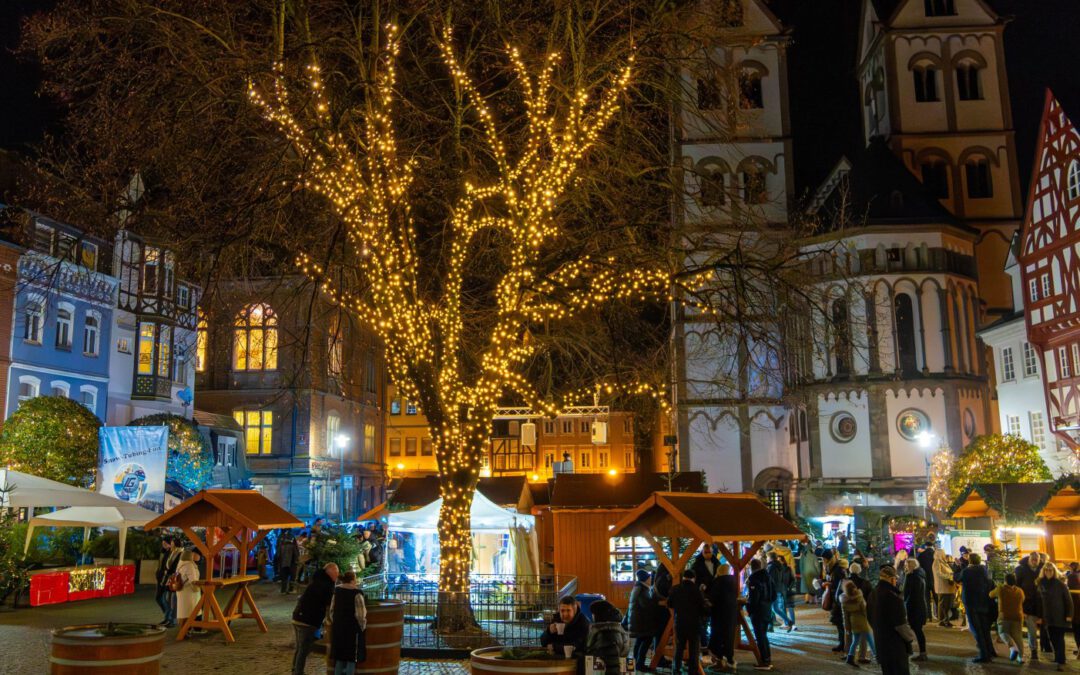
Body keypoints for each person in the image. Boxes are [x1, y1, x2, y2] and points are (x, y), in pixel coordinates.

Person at [291, 562, 340, 675]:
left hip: (298, 616)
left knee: (300, 648)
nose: (337, 576)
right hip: (308, 621)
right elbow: (329, 604)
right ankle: (298, 672)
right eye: (336, 573)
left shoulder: (317, 580)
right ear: (330, 572)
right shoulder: (326, 585)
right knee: (304, 649)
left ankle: (295, 670)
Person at [871, 566, 915, 675]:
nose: (896, 581)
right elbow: (900, 624)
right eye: (895, 579)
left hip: (880, 643)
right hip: (895, 647)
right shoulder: (893, 596)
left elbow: (870, 617)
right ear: (891, 579)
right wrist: (910, 638)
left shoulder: (873, 594)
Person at [956, 552, 996, 663]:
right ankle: (991, 650)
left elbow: (957, 578)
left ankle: (984, 655)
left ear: (970, 561)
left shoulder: (967, 571)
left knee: (976, 629)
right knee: (984, 628)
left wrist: (959, 567)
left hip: (971, 603)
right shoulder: (984, 570)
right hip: (983, 601)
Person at [667, 569, 707, 674]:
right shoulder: (697, 590)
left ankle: (676, 669)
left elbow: (669, 604)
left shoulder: (675, 589)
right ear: (694, 578)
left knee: (679, 648)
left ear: (683, 577)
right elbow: (703, 608)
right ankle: (692, 670)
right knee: (694, 649)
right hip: (694, 624)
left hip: (679, 622)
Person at [328, 570, 367, 675]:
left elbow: (331, 610)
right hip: (352, 629)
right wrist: (362, 627)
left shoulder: (337, 591)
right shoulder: (357, 593)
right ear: (353, 580)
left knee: (339, 657)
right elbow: (360, 614)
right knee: (351, 658)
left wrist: (336, 621)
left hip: (338, 627)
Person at [1038, 562, 1073, 671]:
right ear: (1043, 572)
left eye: (1050, 570)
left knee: (1059, 639)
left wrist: (1069, 615)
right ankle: (1058, 657)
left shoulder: (1060, 584)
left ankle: (1061, 661)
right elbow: (1038, 601)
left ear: (1054, 571)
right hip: (1048, 617)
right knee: (1053, 638)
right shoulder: (1041, 583)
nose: (1048, 572)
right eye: (1046, 570)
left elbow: (1068, 601)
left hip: (1059, 616)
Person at [708, 563, 740, 671]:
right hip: (731, 614)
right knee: (728, 637)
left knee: (718, 638)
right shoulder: (733, 581)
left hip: (719, 615)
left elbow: (713, 598)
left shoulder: (718, 582)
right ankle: (729, 660)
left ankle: (721, 662)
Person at [585, 600, 630, 675]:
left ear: (599, 615)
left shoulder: (606, 634)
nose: (592, 616)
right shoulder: (614, 628)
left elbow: (613, 665)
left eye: (593, 613)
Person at [746, 558, 775, 671]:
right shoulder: (768, 576)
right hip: (767, 609)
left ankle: (764, 661)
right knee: (764, 635)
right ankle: (767, 658)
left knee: (760, 636)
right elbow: (774, 594)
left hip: (758, 611)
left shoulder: (754, 579)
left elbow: (754, 598)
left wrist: (750, 609)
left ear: (752, 567)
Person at [990, 572, 1025, 663]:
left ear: (1005, 581)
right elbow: (1023, 599)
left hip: (1004, 616)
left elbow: (990, 594)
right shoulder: (1020, 590)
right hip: (1018, 616)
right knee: (1018, 637)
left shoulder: (1001, 589)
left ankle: (1013, 648)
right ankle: (1021, 658)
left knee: (1003, 633)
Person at [1015, 552, 1043, 661]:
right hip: (1028, 605)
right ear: (1029, 559)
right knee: (1032, 631)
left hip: (1042, 605)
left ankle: (1048, 649)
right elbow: (1017, 588)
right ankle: (1034, 650)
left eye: (1037, 559)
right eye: (1033, 559)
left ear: (1039, 560)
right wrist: (1020, 605)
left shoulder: (1043, 569)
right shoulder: (1021, 570)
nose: (1035, 561)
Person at [841, 579, 875, 668]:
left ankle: (850, 657)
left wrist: (847, 627)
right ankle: (879, 657)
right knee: (871, 640)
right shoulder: (859, 596)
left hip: (853, 622)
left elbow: (845, 616)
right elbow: (864, 610)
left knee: (855, 640)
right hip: (862, 621)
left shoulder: (844, 600)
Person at [627, 569, 656, 670]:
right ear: (645, 579)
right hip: (642, 621)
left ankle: (636, 662)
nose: (651, 579)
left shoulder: (637, 587)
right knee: (646, 640)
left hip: (637, 620)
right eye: (649, 577)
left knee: (639, 641)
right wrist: (655, 602)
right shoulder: (643, 590)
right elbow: (646, 605)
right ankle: (640, 664)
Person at [902, 559, 928, 662]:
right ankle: (922, 652)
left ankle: (921, 653)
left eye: (906, 565)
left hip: (914, 607)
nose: (905, 567)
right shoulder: (920, 575)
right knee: (918, 630)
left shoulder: (912, 577)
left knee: (917, 630)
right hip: (920, 606)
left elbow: (907, 592)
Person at [175, 549, 203, 633]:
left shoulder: (181, 563)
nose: (200, 557)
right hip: (189, 592)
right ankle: (184, 631)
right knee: (189, 612)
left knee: (182, 611)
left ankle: (184, 631)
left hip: (181, 591)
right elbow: (193, 580)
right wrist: (199, 587)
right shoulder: (190, 565)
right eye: (199, 555)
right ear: (193, 554)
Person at [155, 535, 181, 628]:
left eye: (166, 543)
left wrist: (167, 572)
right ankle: (168, 618)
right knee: (162, 599)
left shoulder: (177, 553)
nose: (163, 544)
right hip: (163, 578)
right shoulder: (168, 552)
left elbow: (172, 567)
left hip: (170, 579)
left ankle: (170, 619)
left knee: (166, 599)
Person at [766, 552, 794, 631]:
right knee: (773, 608)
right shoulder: (779, 566)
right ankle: (771, 626)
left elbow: (770, 580)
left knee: (774, 609)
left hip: (773, 590)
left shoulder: (771, 567)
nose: (766, 559)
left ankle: (787, 621)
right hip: (778, 589)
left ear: (771, 558)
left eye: (767, 558)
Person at [828, 557, 849, 653]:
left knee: (840, 624)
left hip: (837, 601)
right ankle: (843, 643)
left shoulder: (837, 572)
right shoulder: (840, 574)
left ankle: (842, 643)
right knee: (841, 624)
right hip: (839, 601)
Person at [931, 548, 956, 628]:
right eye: (943, 553)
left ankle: (945, 620)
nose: (944, 555)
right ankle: (943, 620)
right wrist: (949, 576)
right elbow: (938, 573)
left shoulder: (943, 562)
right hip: (943, 586)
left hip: (948, 586)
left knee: (947, 604)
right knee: (943, 604)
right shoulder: (937, 562)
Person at [916, 540, 936, 620]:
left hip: (925, 579)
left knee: (926, 598)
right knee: (937, 597)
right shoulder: (935, 554)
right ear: (932, 546)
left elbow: (918, 567)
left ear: (926, 546)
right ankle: (941, 615)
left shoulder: (921, 555)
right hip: (935, 579)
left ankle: (928, 615)